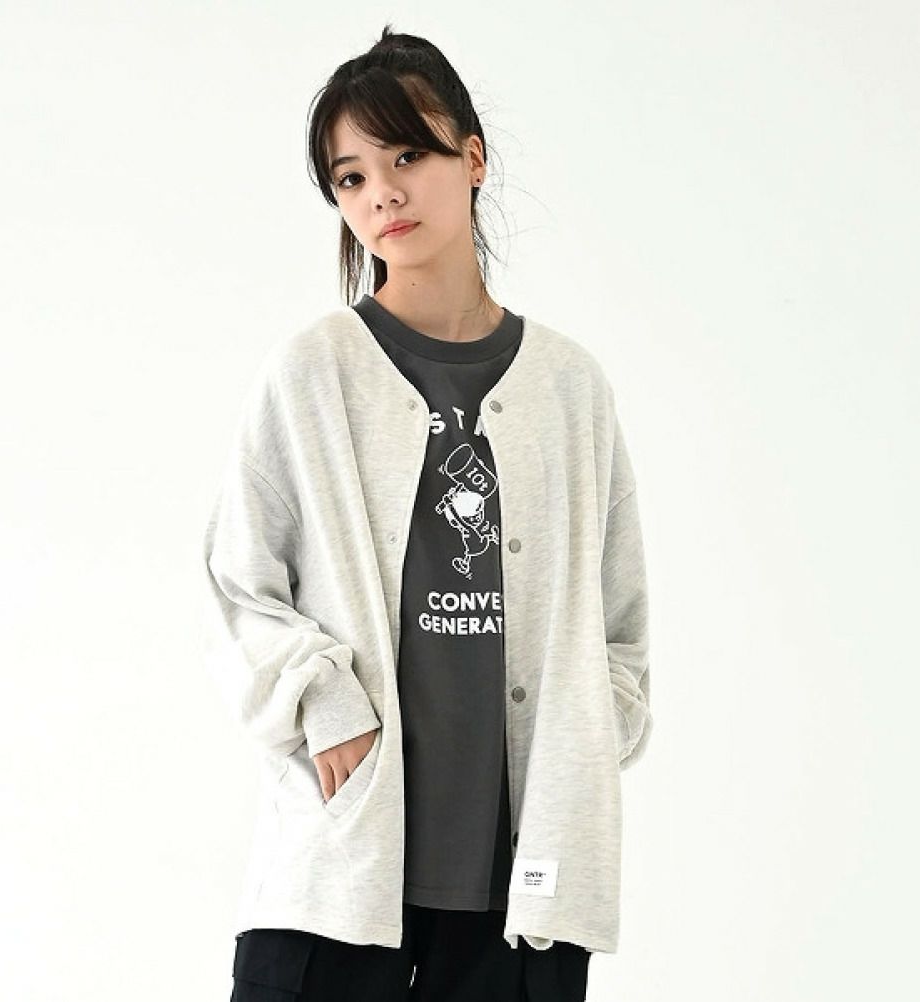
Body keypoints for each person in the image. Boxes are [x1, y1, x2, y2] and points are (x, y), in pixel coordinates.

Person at [201, 22, 653, 1002]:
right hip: (342, 866)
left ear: (473, 158)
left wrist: (580, 747)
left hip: (520, 897)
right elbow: (239, 582)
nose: (383, 194)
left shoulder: (570, 388)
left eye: (407, 156)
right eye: (351, 176)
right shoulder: (314, 372)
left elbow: (620, 627)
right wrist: (325, 706)